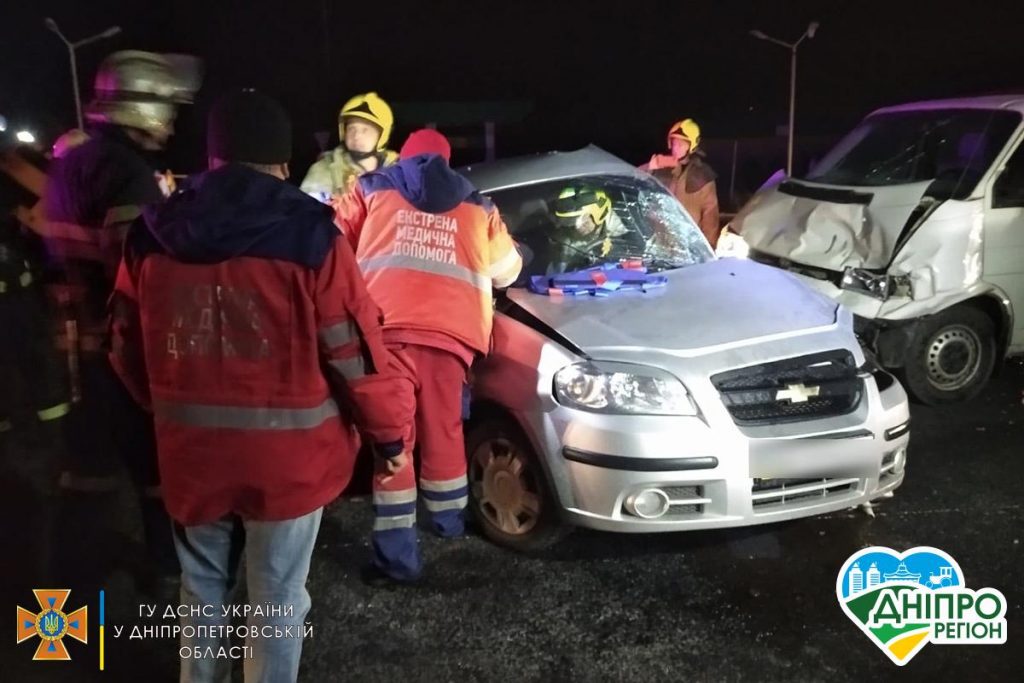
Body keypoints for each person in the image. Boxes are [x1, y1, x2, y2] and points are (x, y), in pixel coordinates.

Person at [109, 89, 416, 682]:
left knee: (201, 595)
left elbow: (124, 345)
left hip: (191, 457)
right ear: (280, 163)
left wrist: (169, 412)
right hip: (289, 462)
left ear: (213, 157)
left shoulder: (152, 234)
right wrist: (390, 438)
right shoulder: (310, 236)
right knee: (276, 602)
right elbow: (356, 355)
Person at [42, 49, 201, 596]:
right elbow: (143, 272)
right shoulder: (127, 171)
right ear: (141, 105)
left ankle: (52, 631)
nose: (173, 119)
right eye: (166, 106)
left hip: (76, 349)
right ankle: (168, 572)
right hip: (121, 352)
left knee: (84, 484)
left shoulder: (75, 163)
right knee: (155, 470)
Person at [333, 128, 522, 586]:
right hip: (451, 337)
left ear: (405, 157)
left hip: (385, 330)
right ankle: (448, 525)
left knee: (393, 440)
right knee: (445, 431)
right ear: (447, 161)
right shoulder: (479, 205)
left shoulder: (372, 188)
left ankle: (397, 561)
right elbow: (506, 272)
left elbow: (333, 241)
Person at [300, 92, 399, 202]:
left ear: (382, 135)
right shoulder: (324, 170)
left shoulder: (401, 174)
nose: (356, 136)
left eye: (365, 130)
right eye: (352, 129)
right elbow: (305, 213)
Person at [642, 118, 721, 246]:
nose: (676, 148)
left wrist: (709, 248)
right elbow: (633, 178)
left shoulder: (702, 175)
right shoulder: (660, 168)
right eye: (674, 143)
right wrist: (651, 166)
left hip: (689, 246)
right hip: (660, 244)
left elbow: (710, 218)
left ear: (692, 146)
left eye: (681, 144)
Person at [549, 185, 633, 272]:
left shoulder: (625, 228)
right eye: (570, 221)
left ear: (598, 214)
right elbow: (559, 273)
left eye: (580, 220)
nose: (576, 227)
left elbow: (642, 257)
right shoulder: (565, 241)